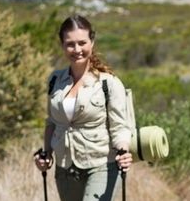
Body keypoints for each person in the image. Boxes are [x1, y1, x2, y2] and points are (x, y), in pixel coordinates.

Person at [34, 14, 133, 201]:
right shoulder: (55, 80)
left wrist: (124, 151)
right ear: (62, 45)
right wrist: (45, 154)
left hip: (102, 165)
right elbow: (52, 122)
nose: (76, 49)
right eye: (70, 44)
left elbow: (120, 126)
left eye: (82, 43)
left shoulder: (108, 83)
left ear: (92, 42)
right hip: (65, 168)